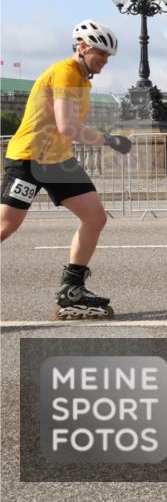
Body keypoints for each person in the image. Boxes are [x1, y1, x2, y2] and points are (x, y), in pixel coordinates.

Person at [1, 19, 132, 319]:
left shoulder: (83, 81)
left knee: (95, 217)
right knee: (5, 226)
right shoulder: (66, 71)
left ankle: (72, 290)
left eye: (108, 56)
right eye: (100, 52)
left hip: (57, 161)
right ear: (82, 47)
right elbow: (68, 126)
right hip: (29, 159)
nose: (105, 60)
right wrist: (109, 140)